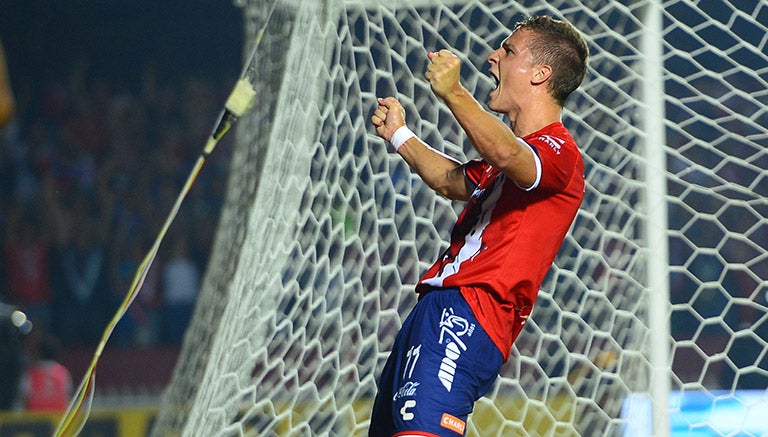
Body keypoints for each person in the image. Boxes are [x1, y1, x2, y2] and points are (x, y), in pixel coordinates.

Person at [369, 15, 589, 436]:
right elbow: (450, 180)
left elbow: (509, 156)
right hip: (436, 310)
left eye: (508, 51)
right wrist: (399, 134)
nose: (493, 57)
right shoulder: (504, 159)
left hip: (469, 312)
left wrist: (453, 91)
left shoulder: (559, 152)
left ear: (541, 74)